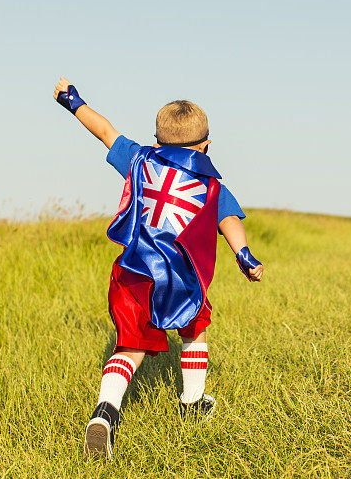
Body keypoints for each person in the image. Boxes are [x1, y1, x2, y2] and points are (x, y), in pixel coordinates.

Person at [52, 77, 264, 460]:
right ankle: (191, 402)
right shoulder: (209, 184)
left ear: (156, 139)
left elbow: (104, 130)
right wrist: (244, 254)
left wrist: (73, 102)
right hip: (181, 278)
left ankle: (106, 411)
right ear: (206, 145)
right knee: (193, 330)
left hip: (134, 272)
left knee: (129, 346)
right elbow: (229, 218)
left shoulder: (138, 158)